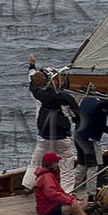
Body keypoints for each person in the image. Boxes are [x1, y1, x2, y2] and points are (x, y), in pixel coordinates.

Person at [22, 54, 79, 191]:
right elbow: (77, 114)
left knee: (35, 162)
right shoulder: (65, 97)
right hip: (62, 136)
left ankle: (27, 186)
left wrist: (32, 66)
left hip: (44, 136)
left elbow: (32, 82)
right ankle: (67, 192)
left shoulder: (38, 94)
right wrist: (76, 120)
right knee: (67, 164)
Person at [32, 152, 106, 215]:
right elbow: (52, 194)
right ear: (52, 163)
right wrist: (70, 200)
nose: (57, 164)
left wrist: (72, 198)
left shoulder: (49, 175)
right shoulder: (47, 177)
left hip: (53, 205)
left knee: (83, 202)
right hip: (47, 210)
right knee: (73, 207)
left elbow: (59, 192)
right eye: (56, 162)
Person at [71, 86, 108, 195]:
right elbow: (100, 125)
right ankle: (91, 194)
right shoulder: (103, 105)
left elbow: (77, 118)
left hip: (78, 136)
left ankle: (69, 188)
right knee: (93, 166)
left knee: (82, 164)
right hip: (89, 139)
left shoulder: (86, 99)